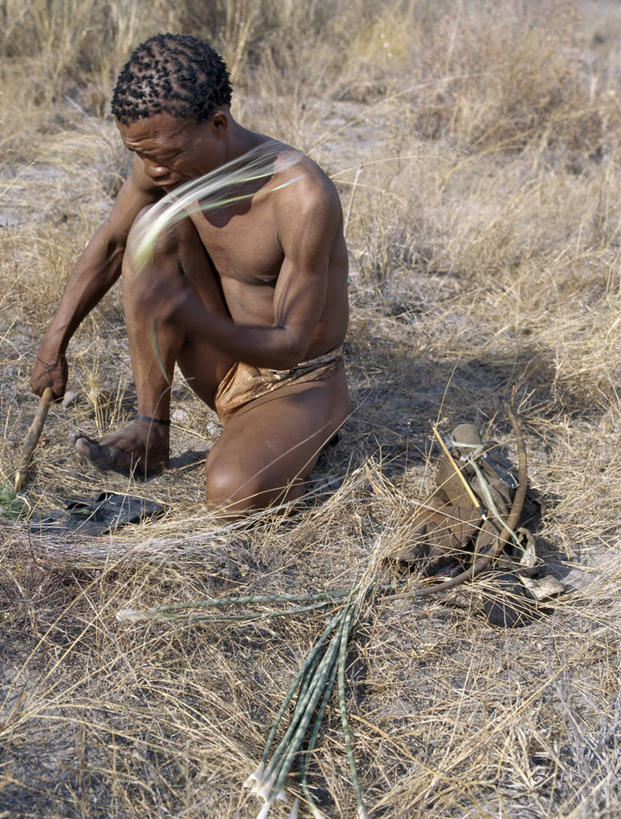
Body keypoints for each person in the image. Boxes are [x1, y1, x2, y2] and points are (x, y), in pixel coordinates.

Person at [30, 34, 349, 517]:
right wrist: (54, 346)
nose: (154, 170)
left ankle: (295, 439)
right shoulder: (163, 165)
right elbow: (113, 246)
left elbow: (291, 346)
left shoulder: (300, 196)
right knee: (149, 233)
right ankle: (150, 430)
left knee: (231, 494)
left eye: (168, 155)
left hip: (298, 379)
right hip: (224, 368)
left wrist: (188, 317)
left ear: (218, 124)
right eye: (140, 154)